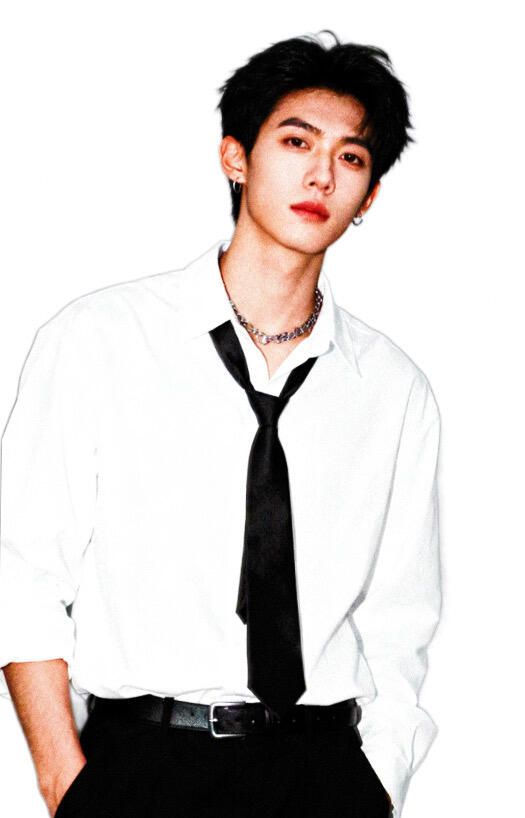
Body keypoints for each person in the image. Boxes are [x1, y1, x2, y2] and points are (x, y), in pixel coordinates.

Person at [0, 30, 442, 818]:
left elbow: (400, 619)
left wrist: (376, 782)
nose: (321, 174)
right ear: (235, 157)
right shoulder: (100, 340)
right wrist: (67, 782)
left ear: (369, 196)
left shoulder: (390, 388)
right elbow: (22, 572)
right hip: (143, 766)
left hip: (321, 771)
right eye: (297, 142)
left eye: (350, 157)